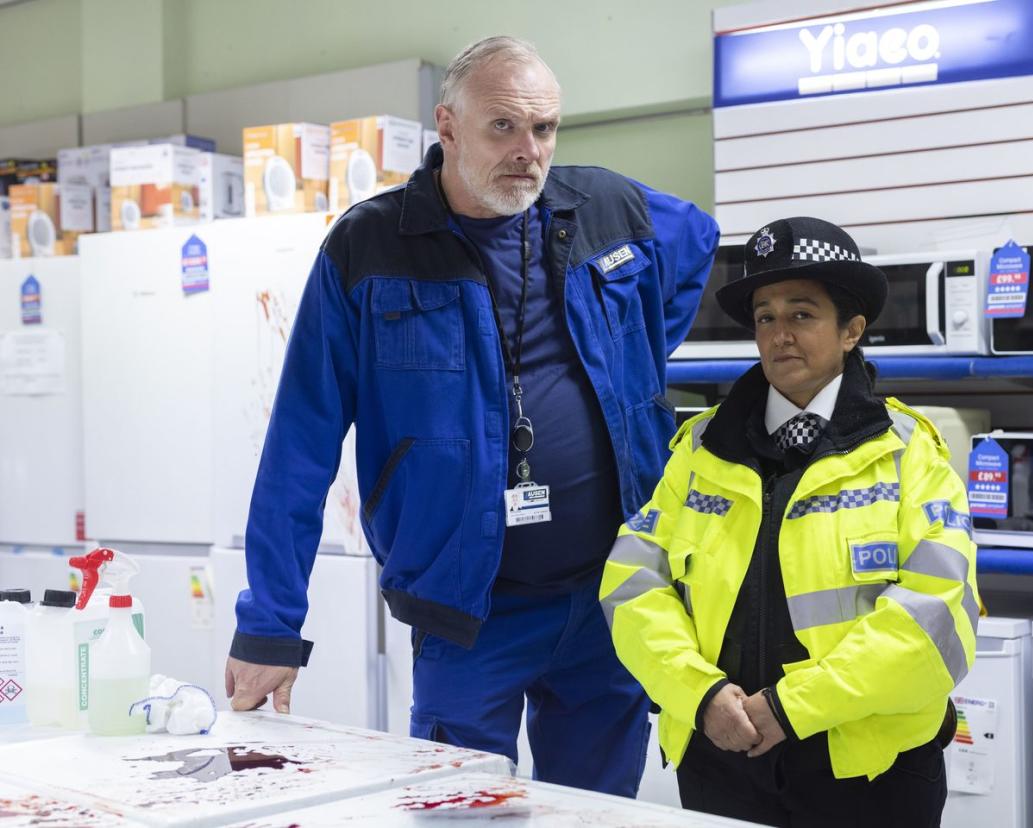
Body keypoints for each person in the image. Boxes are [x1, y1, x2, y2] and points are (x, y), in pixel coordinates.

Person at [224, 35, 719, 798]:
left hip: (612, 601)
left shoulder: (606, 207)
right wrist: (270, 627)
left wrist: (637, 362)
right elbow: (300, 443)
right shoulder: (370, 245)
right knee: (460, 810)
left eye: (545, 129)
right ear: (447, 126)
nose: (529, 151)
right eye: (504, 127)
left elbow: (696, 244)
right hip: (468, 614)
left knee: (596, 814)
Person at [600, 217, 977, 826]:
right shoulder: (700, 451)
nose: (780, 335)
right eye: (765, 317)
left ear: (851, 330)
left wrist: (791, 708)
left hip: (870, 772)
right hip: (723, 759)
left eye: (802, 314)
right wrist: (699, 695)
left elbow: (936, 620)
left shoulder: (909, 454)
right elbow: (631, 585)